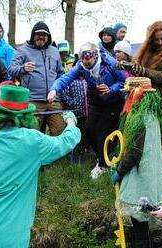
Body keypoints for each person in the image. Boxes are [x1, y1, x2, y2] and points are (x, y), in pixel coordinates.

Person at [0, 85, 81, 247]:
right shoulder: (33, 142)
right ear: (25, 117)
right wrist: (71, 122)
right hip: (11, 233)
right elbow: (65, 142)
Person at [48, 42, 126, 179]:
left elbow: (124, 81)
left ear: (95, 57)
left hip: (113, 100)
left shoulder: (109, 63)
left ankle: (104, 165)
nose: (87, 63)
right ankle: (101, 157)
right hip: (96, 99)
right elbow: (66, 78)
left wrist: (111, 89)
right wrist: (54, 90)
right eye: (84, 61)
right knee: (89, 128)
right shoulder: (81, 66)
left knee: (102, 130)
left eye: (89, 61)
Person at [111, 77, 162, 247]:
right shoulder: (153, 116)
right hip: (152, 179)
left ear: (136, 94)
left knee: (140, 223)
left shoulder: (138, 118)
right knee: (146, 222)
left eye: (128, 93)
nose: (126, 97)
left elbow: (134, 152)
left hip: (140, 181)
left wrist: (119, 171)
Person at [130, 21, 162, 172]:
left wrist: (145, 71)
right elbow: (141, 69)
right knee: (143, 129)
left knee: (157, 128)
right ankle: (146, 165)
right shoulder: (147, 51)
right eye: (156, 39)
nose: (159, 42)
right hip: (147, 94)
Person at [9, 21, 65, 136]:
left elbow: (61, 74)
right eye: (38, 34)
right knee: (33, 135)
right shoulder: (23, 50)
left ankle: (58, 154)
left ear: (48, 37)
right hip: (33, 101)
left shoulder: (54, 51)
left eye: (44, 35)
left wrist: (58, 91)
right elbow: (11, 69)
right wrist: (23, 68)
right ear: (33, 35)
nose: (41, 37)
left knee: (59, 132)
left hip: (53, 101)